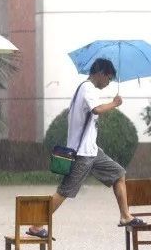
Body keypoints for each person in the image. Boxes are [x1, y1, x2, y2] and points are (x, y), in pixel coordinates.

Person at [28, 58, 146, 237]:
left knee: (119, 173)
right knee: (64, 191)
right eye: (108, 78)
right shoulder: (87, 88)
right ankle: (36, 225)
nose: (108, 83)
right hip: (82, 154)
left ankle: (125, 216)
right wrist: (114, 104)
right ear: (101, 73)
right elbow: (96, 109)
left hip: (92, 151)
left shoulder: (85, 89)